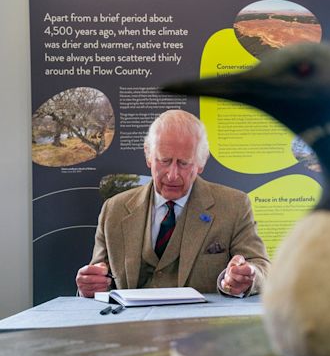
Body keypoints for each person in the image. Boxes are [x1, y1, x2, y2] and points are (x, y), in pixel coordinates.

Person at [76, 109, 270, 298]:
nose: (172, 174)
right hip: (131, 328)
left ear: (201, 163)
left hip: (202, 326)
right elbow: (97, 279)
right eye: (164, 160)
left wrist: (247, 276)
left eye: (184, 163)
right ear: (149, 156)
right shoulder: (113, 210)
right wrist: (89, 287)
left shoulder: (234, 205)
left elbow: (261, 267)